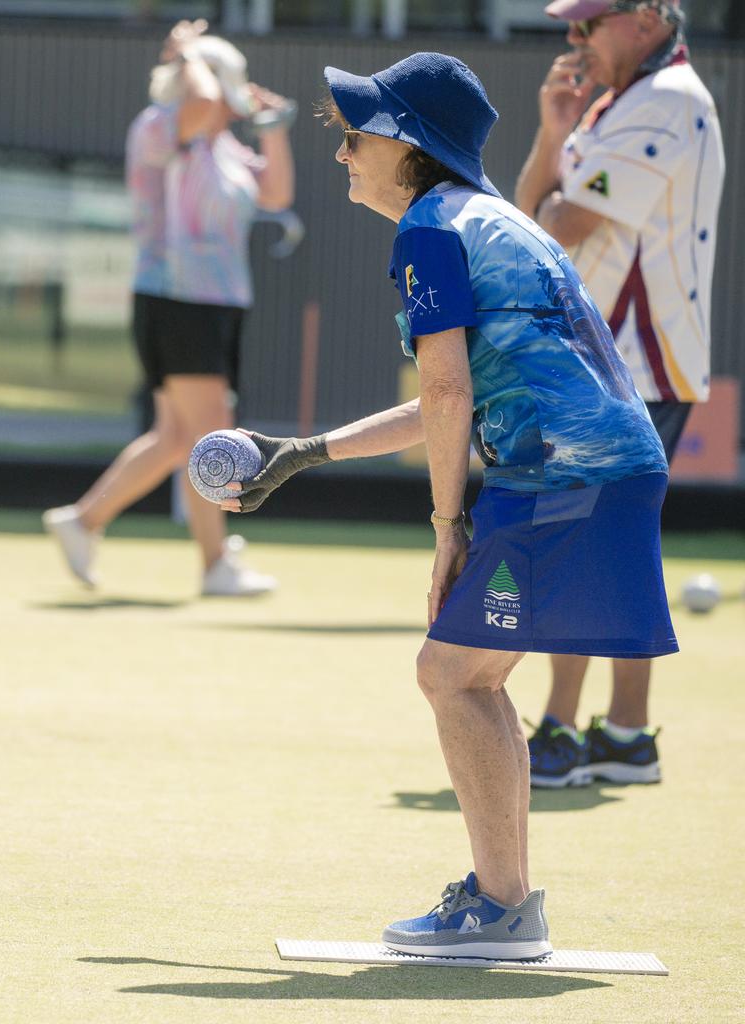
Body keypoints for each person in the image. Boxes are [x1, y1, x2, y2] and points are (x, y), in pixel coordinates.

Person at [217, 52, 676, 958]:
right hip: (577, 473)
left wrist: (446, 529)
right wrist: (305, 453)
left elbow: (445, 396)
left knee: (449, 673)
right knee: (472, 674)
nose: (343, 153)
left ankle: (502, 910)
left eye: (356, 136)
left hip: (561, 480)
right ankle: (507, 905)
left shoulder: (431, 227)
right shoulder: (478, 218)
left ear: (407, 144)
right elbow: (447, 392)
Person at [515, 0, 724, 787]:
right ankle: (628, 734)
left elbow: (554, 224)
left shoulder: (667, 100)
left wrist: (540, 204)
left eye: (586, 23)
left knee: (582, 534)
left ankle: (564, 732)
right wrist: (550, 129)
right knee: (619, 542)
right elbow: (526, 212)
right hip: (623, 361)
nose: (574, 39)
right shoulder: (620, 98)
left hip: (630, 362)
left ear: (642, 18)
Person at [43, 19, 296, 596]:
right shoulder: (161, 126)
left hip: (216, 301)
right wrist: (189, 53)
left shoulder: (222, 145)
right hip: (178, 298)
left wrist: (273, 129)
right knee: (209, 434)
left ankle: (82, 522)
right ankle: (215, 565)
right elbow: (205, 99)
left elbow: (276, 194)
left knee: (178, 438)